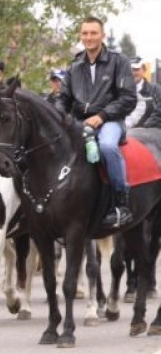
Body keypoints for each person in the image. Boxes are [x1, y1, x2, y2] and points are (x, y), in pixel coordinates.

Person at [58, 16, 137, 229]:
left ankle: (121, 202)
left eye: (93, 33)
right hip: (79, 122)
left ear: (102, 35)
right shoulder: (74, 66)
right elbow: (63, 99)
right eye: (85, 33)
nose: (89, 37)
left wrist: (101, 116)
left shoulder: (119, 62)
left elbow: (128, 98)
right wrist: (56, 118)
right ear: (80, 36)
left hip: (109, 121)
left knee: (107, 147)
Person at [126, 57, 161, 129]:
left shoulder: (155, 89)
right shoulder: (121, 92)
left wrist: (145, 127)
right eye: (130, 70)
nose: (133, 73)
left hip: (150, 135)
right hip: (126, 134)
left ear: (144, 70)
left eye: (136, 69)